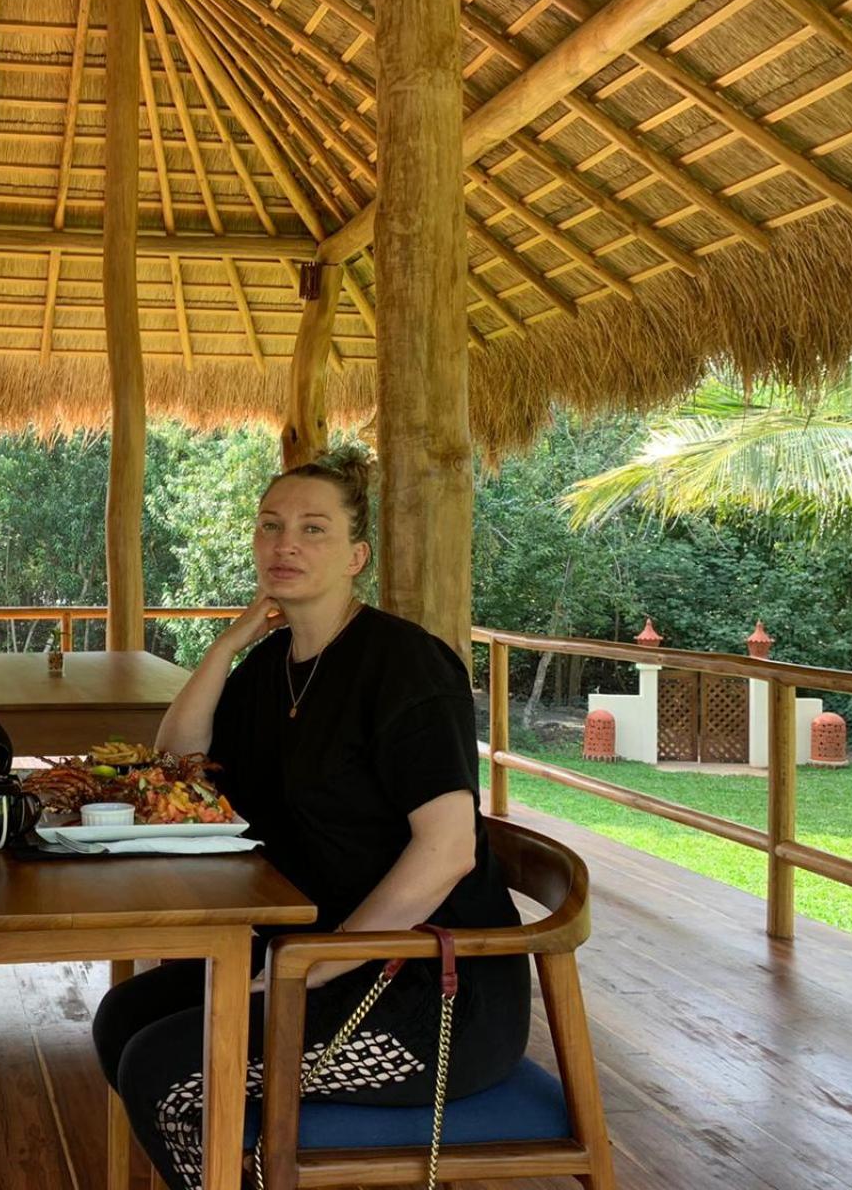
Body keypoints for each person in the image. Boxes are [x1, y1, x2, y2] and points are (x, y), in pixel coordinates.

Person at [92, 453, 530, 1188]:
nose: (285, 543)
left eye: (313, 529)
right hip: (307, 962)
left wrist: (314, 965)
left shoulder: (406, 666)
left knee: (165, 1070)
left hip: (428, 993)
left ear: (357, 556)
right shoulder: (273, 666)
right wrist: (229, 643)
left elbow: (449, 850)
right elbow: (175, 762)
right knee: (123, 1019)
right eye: (271, 526)